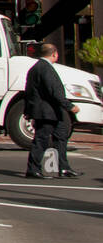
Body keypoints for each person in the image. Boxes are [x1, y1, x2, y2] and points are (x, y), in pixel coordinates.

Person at [23, 43, 82, 178]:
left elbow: (28, 91)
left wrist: (27, 110)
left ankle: (64, 168)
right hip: (47, 111)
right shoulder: (45, 68)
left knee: (61, 137)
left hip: (52, 111)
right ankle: (33, 169)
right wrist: (70, 106)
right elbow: (54, 91)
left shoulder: (35, 68)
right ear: (54, 53)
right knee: (41, 139)